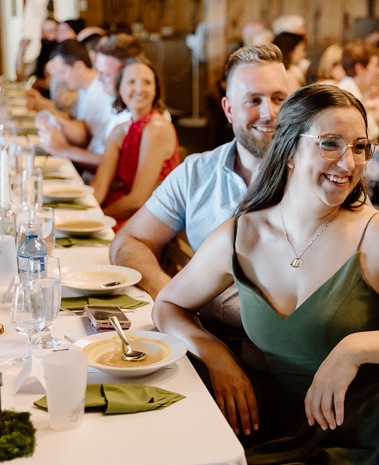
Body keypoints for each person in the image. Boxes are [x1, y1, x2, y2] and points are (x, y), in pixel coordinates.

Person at [153, 84, 379, 463]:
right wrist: (215, 354)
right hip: (260, 425)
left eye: (360, 147)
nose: (349, 164)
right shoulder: (243, 234)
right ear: (289, 152)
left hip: (348, 440)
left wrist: (355, 348)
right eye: (330, 143)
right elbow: (167, 305)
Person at [110, 45, 289, 372]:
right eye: (253, 100)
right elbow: (128, 241)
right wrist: (177, 304)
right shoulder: (197, 172)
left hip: (283, 362)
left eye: (279, 99)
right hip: (204, 342)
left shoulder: (314, 180)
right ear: (229, 109)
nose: (269, 113)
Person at [91, 57, 179, 230]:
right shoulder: (118, 131)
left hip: (145, 220)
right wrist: (82, 213)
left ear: (155, 90)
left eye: (147, 82)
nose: (139, 88)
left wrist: (98, 219)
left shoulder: (156, 128)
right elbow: (100, 187)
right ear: (120, 88)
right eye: (131, 81)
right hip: (118, 212)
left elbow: (138, 200)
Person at [34, 39, 116, 169]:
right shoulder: (84, 90)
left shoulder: (102, 95)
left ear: (79, 67)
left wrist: (62, 149)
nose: (59, 79)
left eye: (62, 72)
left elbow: (102, 154)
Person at [16, 17, 58, 98]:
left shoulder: (59, 56)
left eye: (50, 31)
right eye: (43, 32)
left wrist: (37, 83)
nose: (45, 36)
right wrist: (21, 49)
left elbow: (49, 84)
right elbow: (21, 75)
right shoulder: (42, 57)